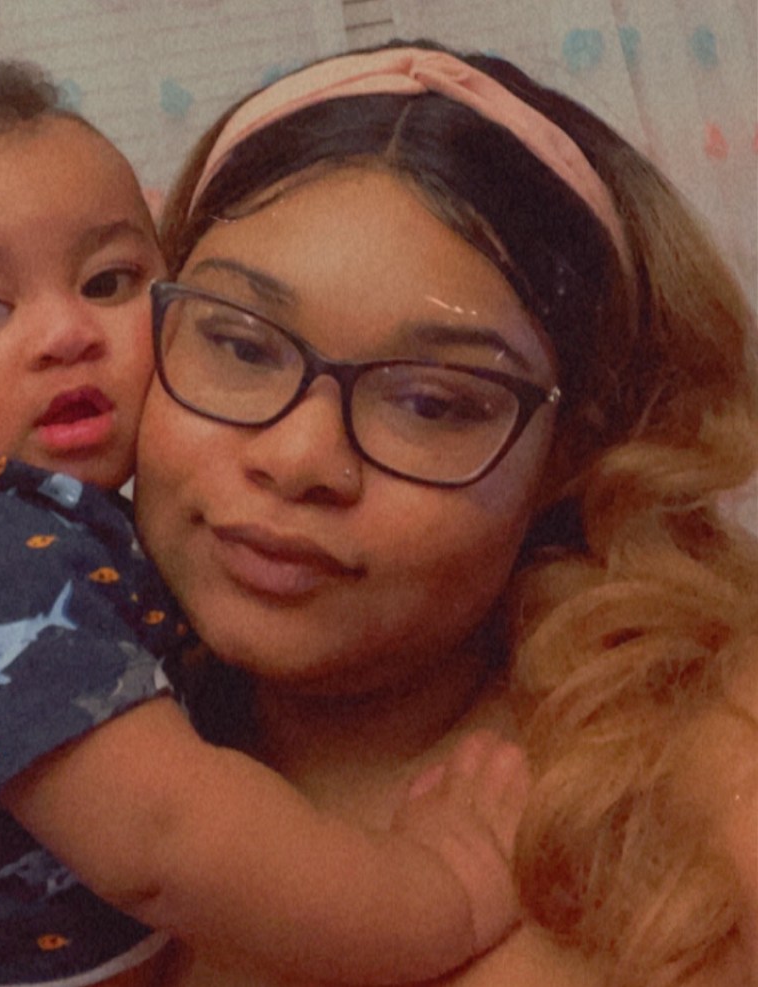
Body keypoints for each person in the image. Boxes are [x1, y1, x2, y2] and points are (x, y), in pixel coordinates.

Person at [0, 58, 533, 987]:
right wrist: (436, 897)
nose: (67, 333)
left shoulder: (70, 527)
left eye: (109, 281)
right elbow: (165, 838)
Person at [125, 41, 758, 986]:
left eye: (432, 402)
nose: (298, 459)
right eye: (242, 346)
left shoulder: (708, 773)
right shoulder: (5, 743)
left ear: (567, 454)